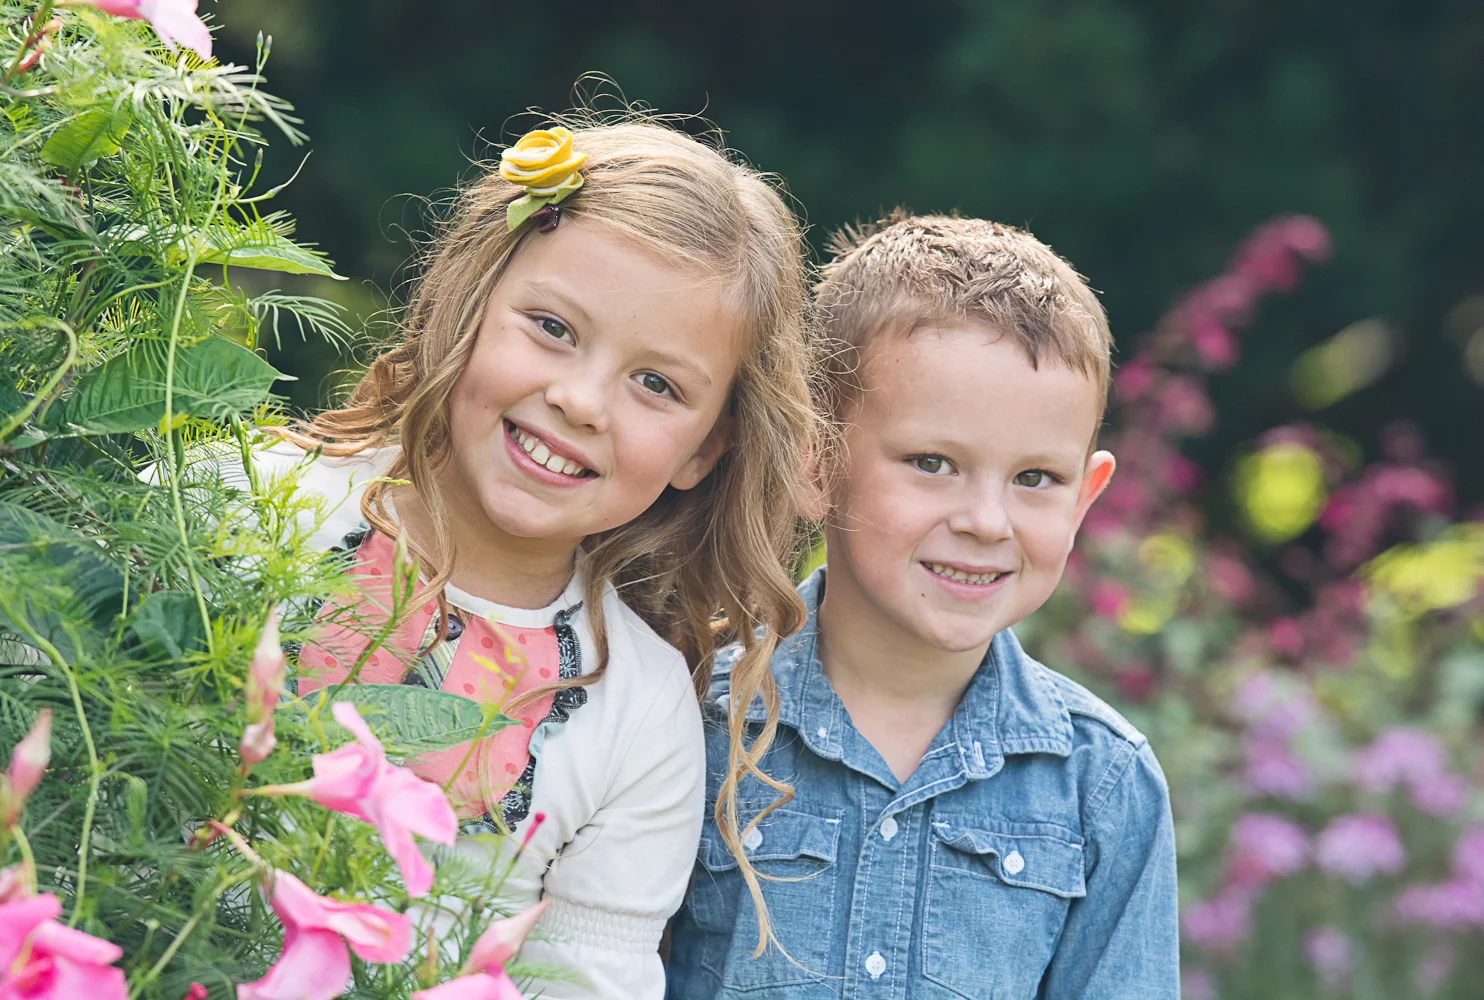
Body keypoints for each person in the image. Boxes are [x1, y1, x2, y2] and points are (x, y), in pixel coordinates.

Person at [232, 114, 817, 999]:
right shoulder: (244, 499)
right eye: (551, 326)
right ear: (470, 301)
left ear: (705, 451)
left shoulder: (643, 713)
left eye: (656, 384)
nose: (580, 401)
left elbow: (585, 979)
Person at [666, 213, 1180, 998]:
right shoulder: (689, 721)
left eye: (1035, 479)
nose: (985, 520)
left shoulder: (1103, 786)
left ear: (1087, 497)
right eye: (933, 463)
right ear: (814, 462)